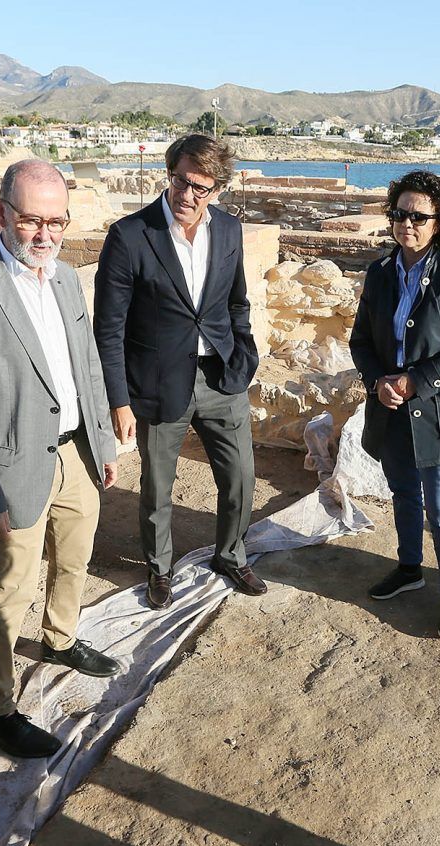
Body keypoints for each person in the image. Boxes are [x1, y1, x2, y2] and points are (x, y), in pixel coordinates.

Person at [0, 161, 120, 760]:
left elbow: (86, 366)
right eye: (31, 220)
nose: (44, 234)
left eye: (56, 221)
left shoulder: (63, 279)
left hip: (77, 453)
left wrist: (103, 443)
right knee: (9, 589)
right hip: (14, 470)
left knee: (76, 559)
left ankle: (61, 640)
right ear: (1, 214)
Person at [93, 134, 265, 608]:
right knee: (157, 488)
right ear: (170, 173)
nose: (188, 196)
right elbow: (109, 329)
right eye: (181, 182)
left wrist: (243, 355)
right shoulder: (130, 235)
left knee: (240, 478)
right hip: (158, 383)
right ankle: (159, 568)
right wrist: (119, 400)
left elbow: (236, 302)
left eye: (201, 188)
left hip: (222, 377)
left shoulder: (228, 232)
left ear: (217, 190)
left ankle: (231, 555)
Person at [348, 171, 440, 640]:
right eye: (400, 213)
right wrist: (377, 382)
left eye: (418, 216)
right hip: (389, 409)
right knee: (404, 495)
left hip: (436, 415)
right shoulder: (380, 272)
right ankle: (409, 568)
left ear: (439, 221)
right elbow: (362, 340)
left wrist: (415, 381)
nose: (406, 223)